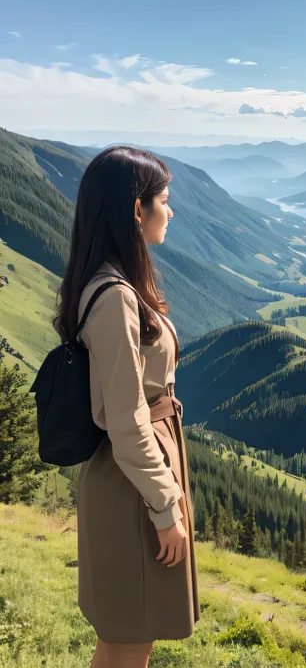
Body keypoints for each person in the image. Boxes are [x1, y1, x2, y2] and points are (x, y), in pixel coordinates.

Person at [54, 146, 200, 668]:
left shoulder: (109, 283)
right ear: (136, 210)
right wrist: (165, 506)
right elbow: (127, 418)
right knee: (133, 641)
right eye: (164, 200)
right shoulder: (115, 296)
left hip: (129, 479)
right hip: (133, 485)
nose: (171, 211)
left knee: (120, 638)